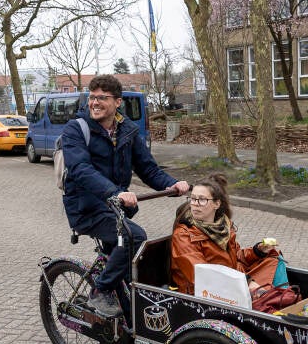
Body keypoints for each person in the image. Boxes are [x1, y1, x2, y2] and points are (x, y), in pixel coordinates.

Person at [61, 74, 189, 318]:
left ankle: (125, 324)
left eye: (102, 98)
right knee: (133, 237)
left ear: (117, 102)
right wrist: (115, 192)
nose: (95, 103)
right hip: (86, 208)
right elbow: (80, 169)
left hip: (115, 210)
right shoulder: (76, 129)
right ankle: (101, 291)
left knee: (131, 263)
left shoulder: (127, 131)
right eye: (92, 97)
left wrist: (174, 185)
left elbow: (148, 169)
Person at [170, 174, 279, 296]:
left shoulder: (223, 226)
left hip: (231, 282)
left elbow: (236, 257)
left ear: (217, 204)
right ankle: (275, 304)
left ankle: (279, 301)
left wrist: (256, 251)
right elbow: (202, 275)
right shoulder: (183, 234)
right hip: (204, 293)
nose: (195, 204)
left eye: (202, 199)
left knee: (274, 260)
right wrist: (246, 282)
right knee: (268, 298)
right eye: (193, 199)